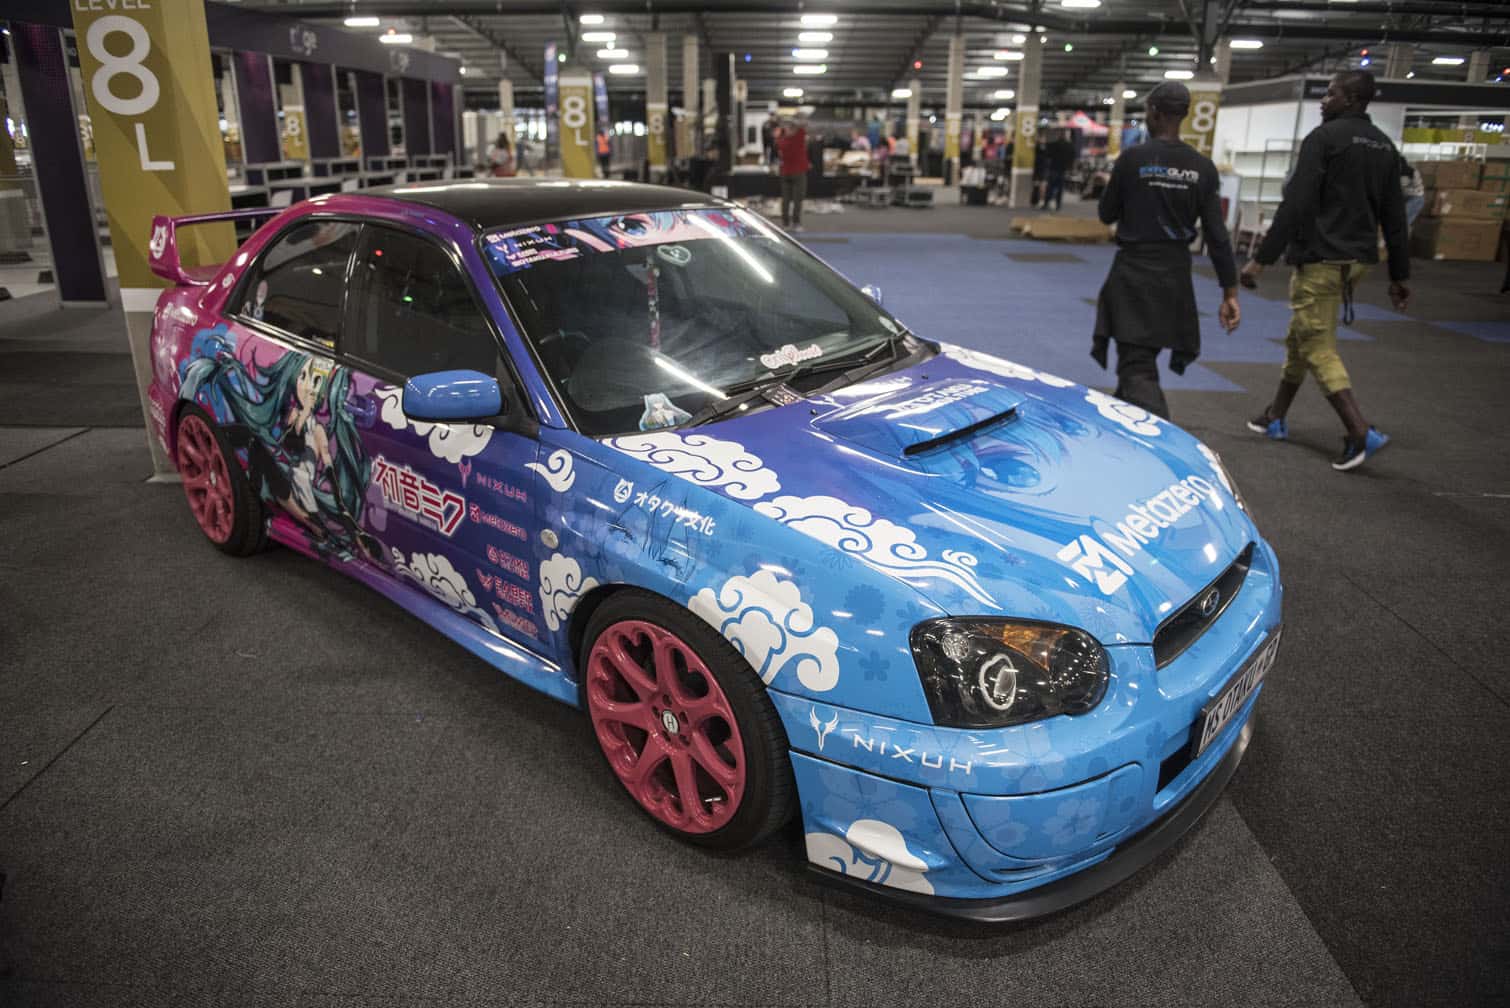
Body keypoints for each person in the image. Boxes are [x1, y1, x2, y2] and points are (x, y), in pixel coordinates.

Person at [1240, 69, 1410, 471]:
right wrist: (1400, 275)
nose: (1323, 100)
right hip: (1358, 262)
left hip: (1322, 257)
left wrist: (1260, 260)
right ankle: (1276, 416)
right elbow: (1395, 215)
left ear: (1351, 100)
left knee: (1317, 346)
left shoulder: (1323, 140)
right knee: (1301, 336)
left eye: (1330, 94)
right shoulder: (1385, 146)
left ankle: (1358, 430)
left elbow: (1296, 204)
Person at [1091, 82, 1241, 420]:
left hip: (1134, 273)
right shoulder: (1202, 168)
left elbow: (1106, 214)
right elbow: (1217, 236)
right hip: (1175, 275)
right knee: (1139, 359)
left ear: (1154, 112)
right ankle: (1124, 429)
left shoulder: (1132, 160)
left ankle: (1166, 442)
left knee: (1137, 367)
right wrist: (1230, 292)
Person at [776, 118, 810, 231]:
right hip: (798, 172)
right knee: (797, 199)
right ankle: (796, 223)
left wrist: (782, 128)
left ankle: (785, 224)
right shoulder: (798, 137)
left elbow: (779, 134)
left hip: (785, 172)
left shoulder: (781, 141)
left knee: (785, 199)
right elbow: (803, 125)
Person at [1044, 129, 1075, 211]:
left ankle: (1046, 203)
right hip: (1063, 170)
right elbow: (1072, 157)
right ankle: (1058, 205)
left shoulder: (1053, 145)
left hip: (1054, 168)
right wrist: (1069, 167)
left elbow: (1048, 155)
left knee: (1050, 187)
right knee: (1060, 189)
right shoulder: (1070, 146)